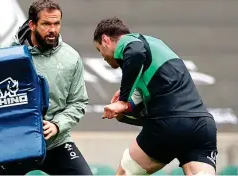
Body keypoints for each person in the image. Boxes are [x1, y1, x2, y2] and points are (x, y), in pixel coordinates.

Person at [93, 17, 218, 175]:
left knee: (124, 172)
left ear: (105, 40)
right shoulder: (154, 46)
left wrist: (123, 101)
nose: (103, 57)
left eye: (100, 50)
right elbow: (148, 96)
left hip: (170, 123)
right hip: (202, 126)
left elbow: (136, 52)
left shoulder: (131, 41)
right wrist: (126, 108)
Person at [0, 0, 92, 175]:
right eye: (46, 24)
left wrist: (57, 125)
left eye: (56, 23)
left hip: (56, 142)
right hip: (13, 143)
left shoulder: (71, 58)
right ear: (32, 25)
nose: (53, 30)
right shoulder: (5, 54)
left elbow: (78, 103)